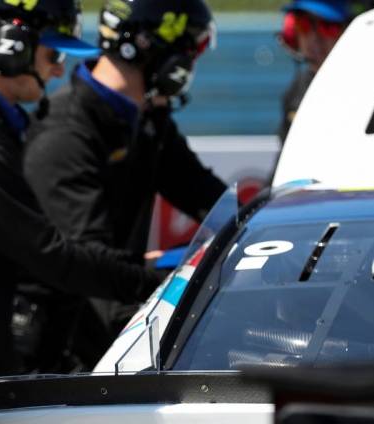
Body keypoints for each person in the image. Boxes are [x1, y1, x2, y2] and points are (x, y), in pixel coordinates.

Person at [0, 1, 165, 424]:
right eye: (53, 55)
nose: (59, 71)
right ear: (13, 45)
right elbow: (49, 253)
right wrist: (151, 283)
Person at [21, 0, 227, 369]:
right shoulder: (64, 136)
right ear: (160, 52)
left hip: (109, 334)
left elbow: (210, 199)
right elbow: (92, 272)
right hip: (62, 356)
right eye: (190, 53)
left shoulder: (145, 119)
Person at [277, 0, 374, 143]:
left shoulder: (373, 90)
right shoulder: (296, 90)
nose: (314, 39)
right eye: (303, 24)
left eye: (327, 27)